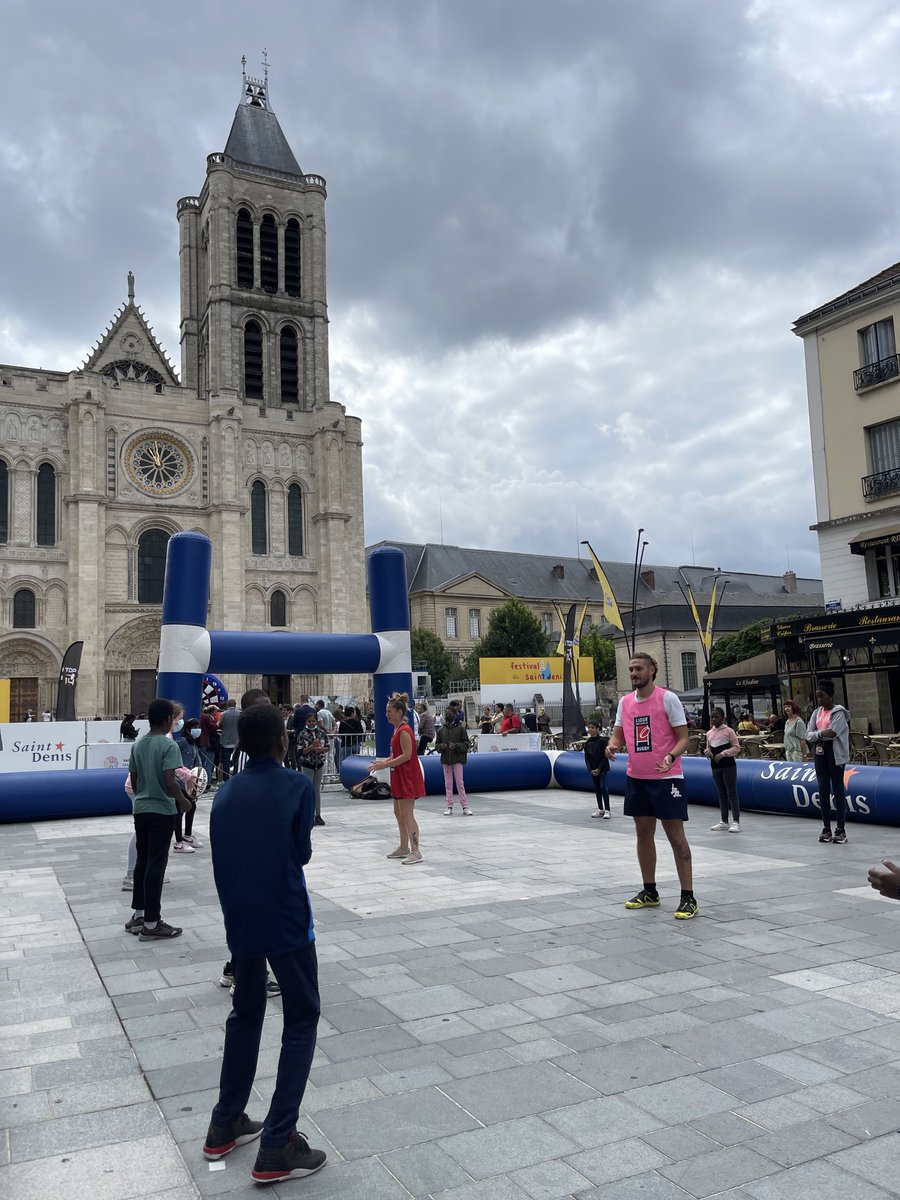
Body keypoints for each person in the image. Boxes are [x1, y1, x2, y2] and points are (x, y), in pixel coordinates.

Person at [202, 704, 326, 1183]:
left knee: (246, 1010)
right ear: (282, 741)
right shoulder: (296, 785)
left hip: (240, 917)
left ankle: (225, 1120)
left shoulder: (226, 791)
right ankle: (278, 1143)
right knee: (302, 1014)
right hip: (286, 914)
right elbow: (302, 853)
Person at [606, 652, 697, 920]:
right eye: (631, 669)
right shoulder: (625, 702)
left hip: (667, 779)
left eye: (638, 669)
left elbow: (684, 738)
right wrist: (612, 746)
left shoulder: (667, 698)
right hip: (637, 778)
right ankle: (650, 891)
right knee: (643, 835)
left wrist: (670, 757)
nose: (633, 673)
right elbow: (618, 735)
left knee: (676, 837)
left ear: (652, 670)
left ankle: (688, 897)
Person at [124, 697, 185, 941]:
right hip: (161, 810)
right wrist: (183, 800)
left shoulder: (138, 744)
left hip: (141, 808)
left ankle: (139, 915)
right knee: (157, 864)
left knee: (143, 860)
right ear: (169, 719)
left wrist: (144, 796)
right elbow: (170, 780)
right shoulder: (169, 746)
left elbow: (135, 779)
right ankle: (152, 923)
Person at [370, 692, 425, 865]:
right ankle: (403, 847)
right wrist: (382, 763)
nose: (386, 714)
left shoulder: (404, 731)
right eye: (386, 711)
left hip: (407, 776)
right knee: (398, 812)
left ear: (400, 712)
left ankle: (416, 851)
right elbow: (395, 754)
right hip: (398, 775)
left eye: (389, 711)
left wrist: (384, 765)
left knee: (407, 814)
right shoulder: (396, 730)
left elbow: (407, 756)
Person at [807, 680, 851, 844]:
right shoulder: (816, 713)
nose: (819, 700)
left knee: (838, 790)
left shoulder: (838, 712)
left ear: (830, 696)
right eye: (817, 697)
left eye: (822, 696)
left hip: (835, 754)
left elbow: (833, 732)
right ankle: (826, 828)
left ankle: (841, 829)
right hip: (820, 753)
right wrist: (820, 734)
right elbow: (808, 734)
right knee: (823, 789)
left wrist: (817, 734)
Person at [705, 708, 741, 832]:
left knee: (731, 793)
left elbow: (736, 748)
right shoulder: (709, 733)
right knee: (721, 794)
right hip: (715, 766)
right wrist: (708, 752)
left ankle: (736, 821)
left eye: (716, 717)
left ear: (723, 718)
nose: (714, 719)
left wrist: (724, 753)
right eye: (712, 717)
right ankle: (724, 821)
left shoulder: (729, 731)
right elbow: (708, 747)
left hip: (728, 766)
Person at [173, 717, 203, 851]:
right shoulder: (181, 742)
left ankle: (188, 835)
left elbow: (197, 764)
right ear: (187, 730)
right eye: (195, 728)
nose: (198, 730)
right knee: (179, 811)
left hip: (191, 783)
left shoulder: (193, 744)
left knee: (192, 807)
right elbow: (172, 755)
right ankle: (178, 840)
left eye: (199, 727)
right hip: (180, 782)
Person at [436, 706, 471, 815]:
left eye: (450, 714)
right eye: (446, 714)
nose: (448, 716)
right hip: (446, 760)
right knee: (448, 784)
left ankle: (465, 806)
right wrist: (441, 747)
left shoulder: (461, 728)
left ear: (455, 715)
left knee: (460, 783)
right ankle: (449, 806)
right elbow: (437, 746)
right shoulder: (441, 730)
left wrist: (456, 746)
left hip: (457, 760)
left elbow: (467, 744)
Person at [297, 710, 327, 826]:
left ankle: (318, 815)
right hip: (307, 764)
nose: (311, 723)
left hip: (318, 763)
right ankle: (308, 815)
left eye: (313, 721)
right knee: (308, 790)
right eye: (309, 721)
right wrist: (311, 747)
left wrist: (322, 749)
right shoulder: (302, 734)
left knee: (316, 790)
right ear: (306, 722)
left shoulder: (320, 733)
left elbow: (327, 747)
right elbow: (300, 751)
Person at [583, 720, 611, 818]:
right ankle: (600, 809)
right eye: (589, 727)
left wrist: (599, 769)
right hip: (593, 769)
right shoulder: (587, 743)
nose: (590, 729)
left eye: (592, 727)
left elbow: (605, 756)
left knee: (603, 787)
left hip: (602, 768)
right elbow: (586, 758)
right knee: (597, 788)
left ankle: (607, 809)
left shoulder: (603, 741)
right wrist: (590, 769)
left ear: (597, 729)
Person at [218, 699, 240, 780]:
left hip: (225, 740)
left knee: (226, 761)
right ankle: (235, 776)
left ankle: (226, 778)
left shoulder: (223, 714)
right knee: (237, 760)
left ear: (227, 705)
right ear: (235, 704)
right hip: (237, 740)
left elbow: (219, 725)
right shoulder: (240, 714)